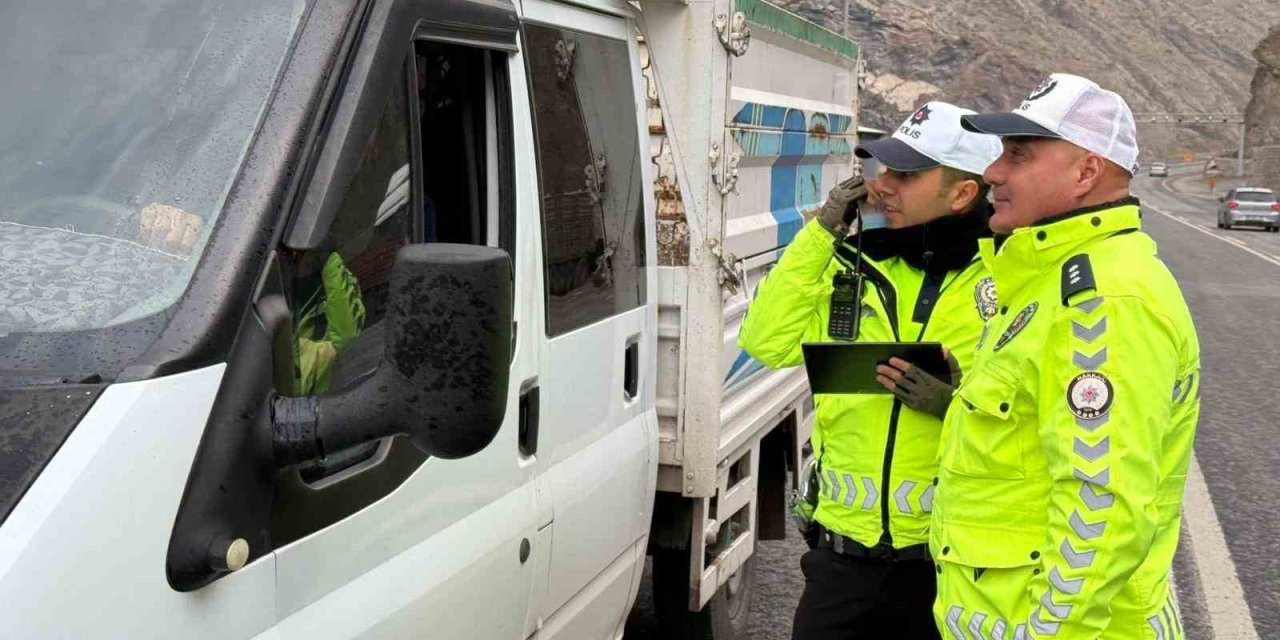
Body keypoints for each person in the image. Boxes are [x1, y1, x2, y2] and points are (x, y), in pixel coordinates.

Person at [919, 73, 1201, 639]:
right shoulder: (1046, 282)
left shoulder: (1105, 300)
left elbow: (1099, 509)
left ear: (1086, 172)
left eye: (1018, 156)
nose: (993, 172)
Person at [739, 101, 1002, 639]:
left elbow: (1031, 416)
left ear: (962, 193)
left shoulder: (1005, 278)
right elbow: (766, 341)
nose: (882, 185)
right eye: (882, 169)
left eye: (905, 174)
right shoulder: (849, 264)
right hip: (841, 566)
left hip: (950, 567)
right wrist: (820, 234)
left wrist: (956, 404)